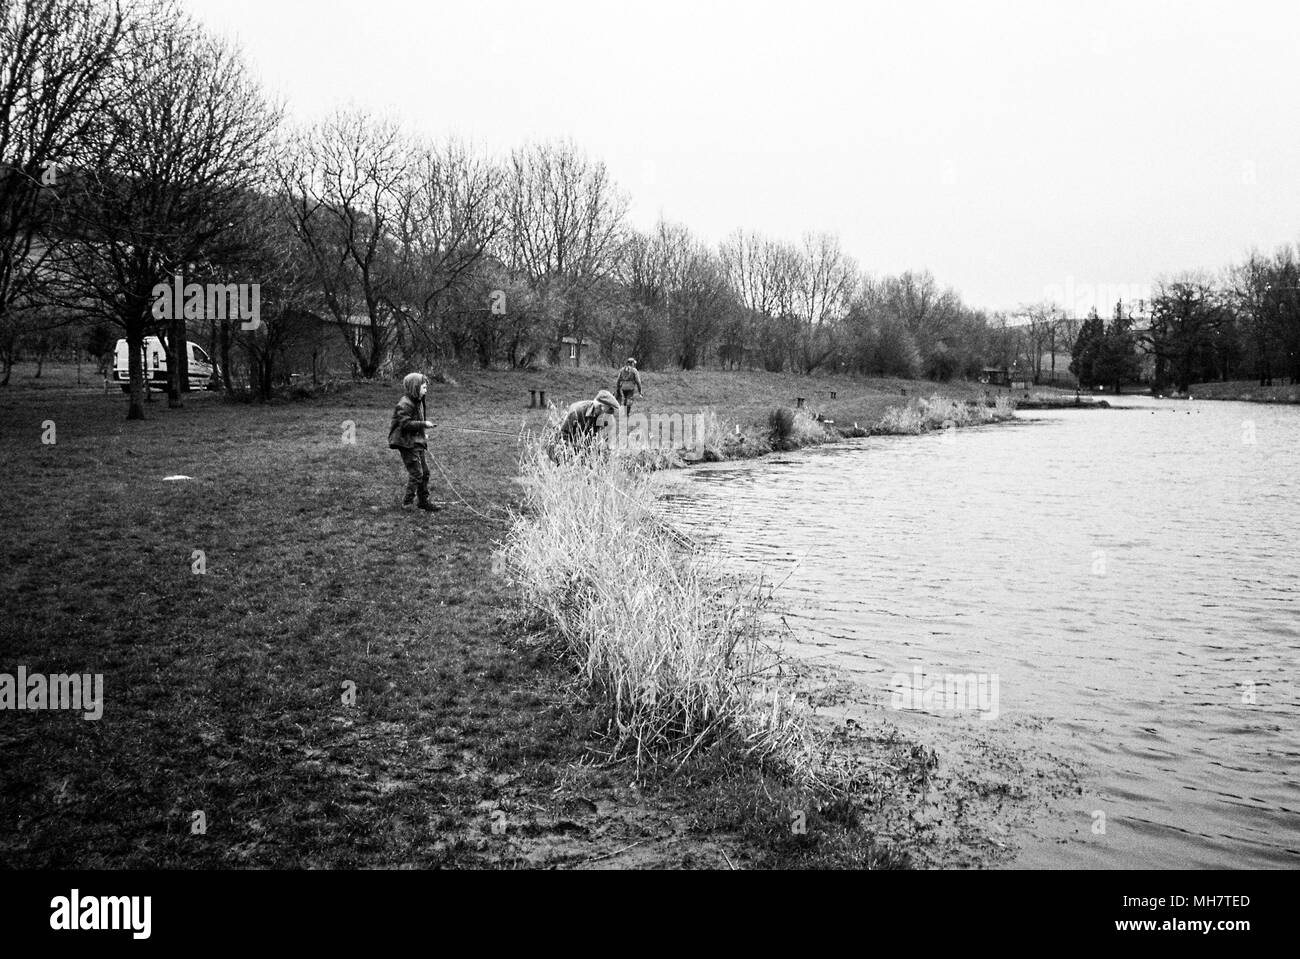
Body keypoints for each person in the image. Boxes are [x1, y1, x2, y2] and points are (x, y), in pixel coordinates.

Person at [388, 372, 441, 511]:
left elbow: (415, 422)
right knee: (417, 473)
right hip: (405, 442)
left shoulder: (418, 401)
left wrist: (422, 434)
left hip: (415, 440)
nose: (426, 390)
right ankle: (407, 503)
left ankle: (423, 501)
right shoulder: (404, 404)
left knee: (425, 472)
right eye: (423, 387)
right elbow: (405, 424)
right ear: (415, 387)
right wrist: (423, 424)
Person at [555, 389, 621, 456]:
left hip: (584, 444)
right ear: (600, 407)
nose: (607, 414)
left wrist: (608, 449)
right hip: (563, 445)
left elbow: (607, 439)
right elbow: (563, 434)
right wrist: (571, 452)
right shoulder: (578, 411)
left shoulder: (605, 416)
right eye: (607, 410)